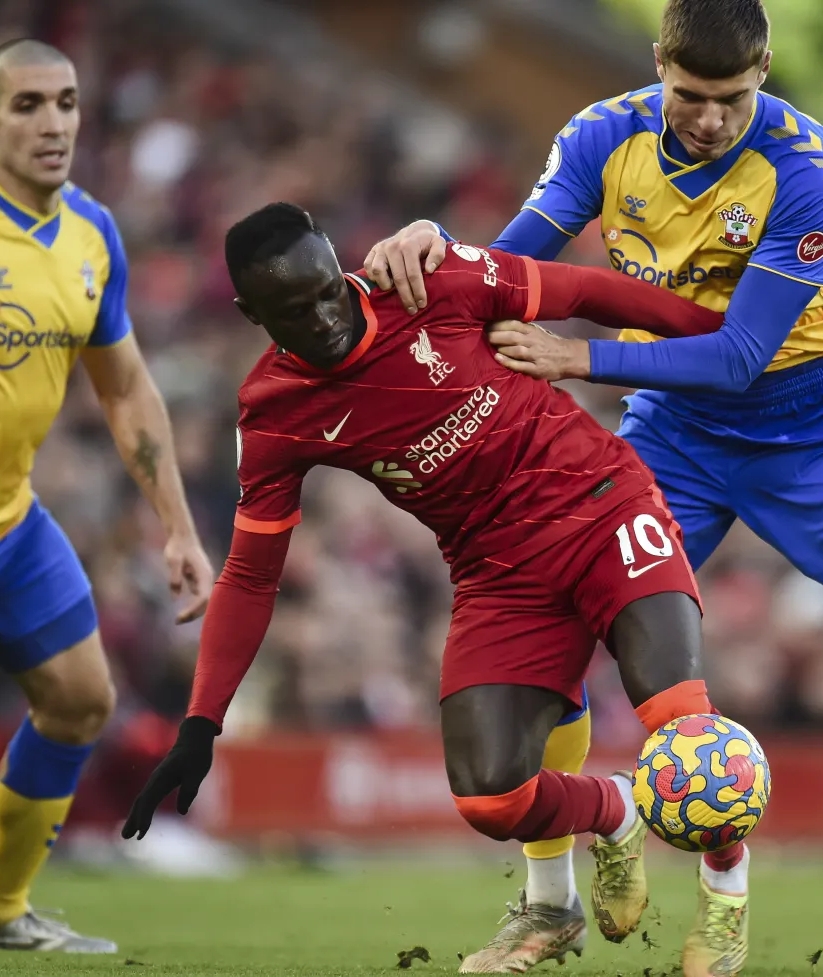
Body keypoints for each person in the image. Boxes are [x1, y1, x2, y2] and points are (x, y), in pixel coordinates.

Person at [363, 1, 823, 975]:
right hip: (676, 429)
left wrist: (578, 360)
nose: (708, 117)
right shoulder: (599, 136)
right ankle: (548, 904)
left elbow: (743, 353)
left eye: (731, 98)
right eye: (689, 95)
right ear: (657, 67)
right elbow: (511, 263)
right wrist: (436, 247)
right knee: (555, 644)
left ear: (764, 74)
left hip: (816, 413)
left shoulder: (808, 169)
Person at [120, 203, 749, 977]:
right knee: (491, 797)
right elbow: (251, 573)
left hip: (600, 505)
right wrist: (201, 721)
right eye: (294, 311)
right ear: (251, 314)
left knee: (682, 723)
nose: (326, 318)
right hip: (496, 571)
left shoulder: (427, 282)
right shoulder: (275, 411)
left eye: (328, 290)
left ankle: (725, 897)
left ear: (337, 261)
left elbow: (585, 290)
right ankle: (616, 811)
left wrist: (726, 337)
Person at [0, 40, 214, 953]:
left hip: (7, 528)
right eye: (30, 105)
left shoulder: (92, 234)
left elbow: (123, 389)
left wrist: (179, 530)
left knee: (80, 700)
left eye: (68, 103)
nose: (54, 123)